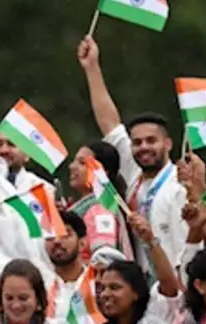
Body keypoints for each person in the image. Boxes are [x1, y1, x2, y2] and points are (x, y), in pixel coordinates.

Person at [77, 36, 188, 274]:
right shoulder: (135, 173)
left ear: (168, 144)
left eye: (151, 141)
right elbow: (110, 124)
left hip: (174, 283)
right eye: (137, 142)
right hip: (139, 285)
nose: (143, 147)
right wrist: (92, 68)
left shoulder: (180, 185)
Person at [65, 142, 133, 262]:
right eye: (74, 161)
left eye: (82, 163)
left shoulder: (101, 209)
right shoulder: (88, 206)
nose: (72, 166)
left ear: (101, 173)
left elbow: (104, 259)